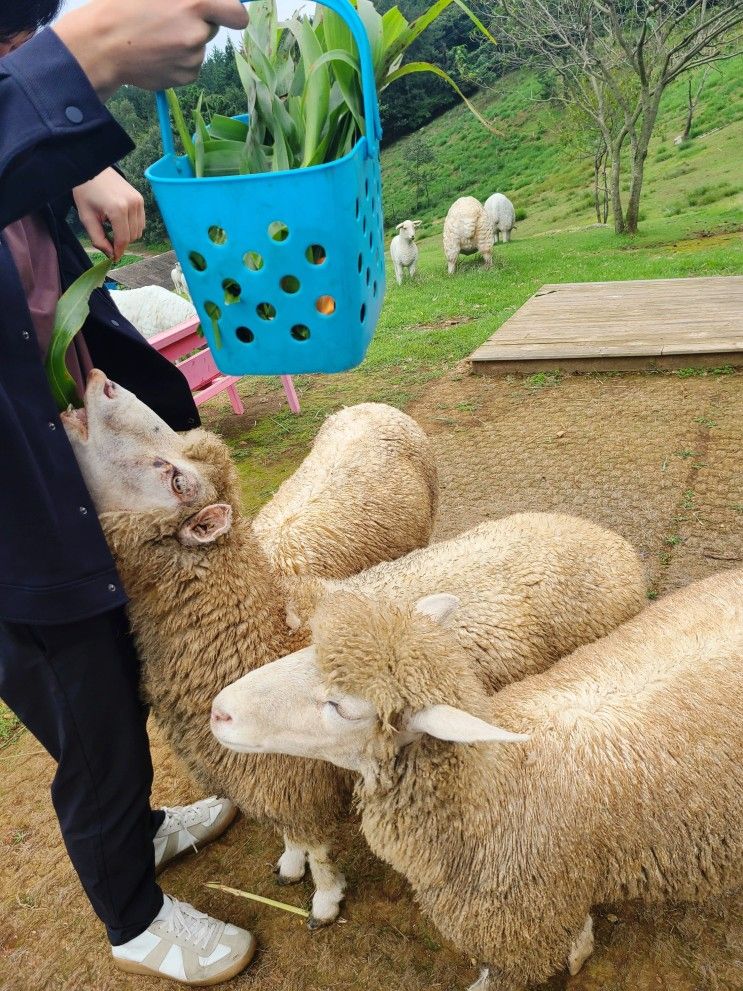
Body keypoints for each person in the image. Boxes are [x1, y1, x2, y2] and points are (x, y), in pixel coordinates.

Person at [0, 1, 260, 985]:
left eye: (28, 41)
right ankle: (131, 917)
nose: (21, 66)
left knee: (100, 672)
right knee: (88, 703)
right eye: (9, 50)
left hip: (51, 456)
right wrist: (94, 52)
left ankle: (137, 825)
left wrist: (79, 162)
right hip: (14, 515)